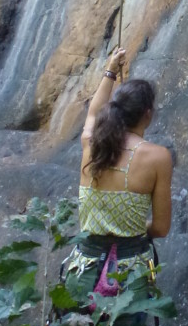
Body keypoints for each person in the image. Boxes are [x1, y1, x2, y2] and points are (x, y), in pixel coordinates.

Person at [62, 48, 173, 300]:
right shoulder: (157, 157)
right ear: (148, 114)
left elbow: (93, 113)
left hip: (83, 268)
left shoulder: (91, 145)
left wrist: (110, 69)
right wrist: (127, 226)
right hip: (128, 276)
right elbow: (160, 227)